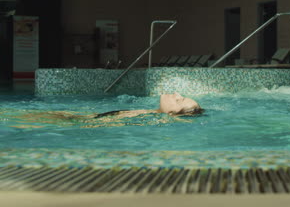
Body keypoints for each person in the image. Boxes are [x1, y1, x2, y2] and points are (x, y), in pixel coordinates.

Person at [9, 93, 203, 128]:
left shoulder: (156, 119)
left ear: (173, 114)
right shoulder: (152, 113)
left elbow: (111, 123)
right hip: (83, 118)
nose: (176, 94)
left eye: (180, 100)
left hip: (79, 122)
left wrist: (85, 123)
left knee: (21, 119)